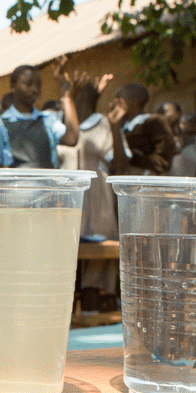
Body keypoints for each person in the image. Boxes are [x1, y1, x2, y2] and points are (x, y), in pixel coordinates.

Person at [67, 72, 118, 312]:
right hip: (84, 194)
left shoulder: (95, 123)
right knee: (85, 251)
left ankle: (94, 309)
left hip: (90, 195)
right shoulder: (75, 122)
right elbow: (109, 155)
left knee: (96, 249)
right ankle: (88, 310)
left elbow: (111, 158)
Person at [0, 59, 78, 169]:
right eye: (28, 83)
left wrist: (67, 97)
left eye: (38, 85)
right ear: (13, 86)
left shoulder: (47, 120)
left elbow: (71, 139)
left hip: (47, 185)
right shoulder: (0, 124)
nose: (34, 89)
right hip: (17, 186)